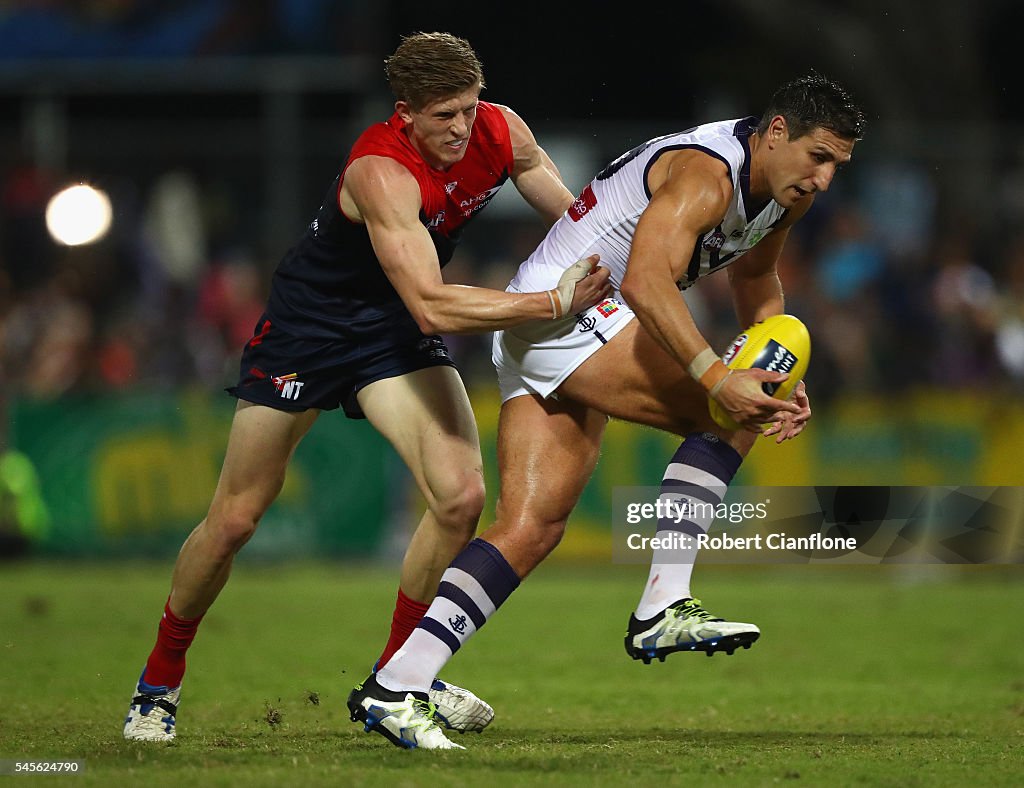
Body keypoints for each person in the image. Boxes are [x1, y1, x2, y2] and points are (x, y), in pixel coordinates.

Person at [347, 73, 866, 750]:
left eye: (838, 166)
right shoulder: (710, 174)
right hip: (570, 314)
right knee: (725, 411)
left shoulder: (784, 193)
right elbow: (647, 280)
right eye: (817, 157)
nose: (824, 178)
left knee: (530, 528)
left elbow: (755, 280)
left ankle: (397, 684)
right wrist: (724, 378)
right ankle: (663, 602)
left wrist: (776, 373)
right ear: (775, 134)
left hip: (557, 318)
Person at [122, 31, 611, 742]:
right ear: (405, 112)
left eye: (470, 109)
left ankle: (398, 680)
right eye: (444, 115)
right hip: (309, 334)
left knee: (461, 496)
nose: (461, 129)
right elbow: (435, 306)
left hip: (389, 334)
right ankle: (157, 686)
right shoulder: (380, 170)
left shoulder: (502, 133)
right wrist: (551, 304)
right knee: (234, 519)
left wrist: (633, 266)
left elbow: (578, 227)